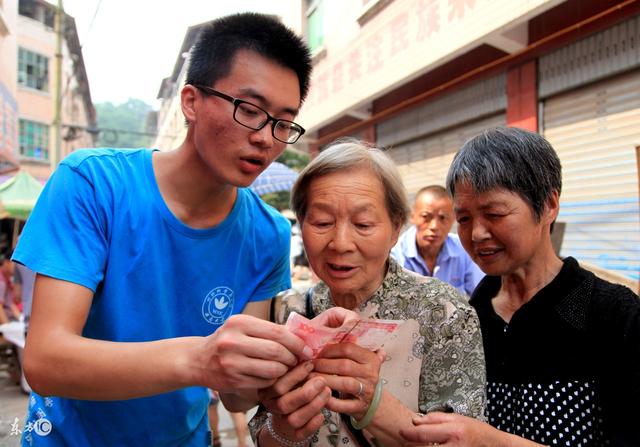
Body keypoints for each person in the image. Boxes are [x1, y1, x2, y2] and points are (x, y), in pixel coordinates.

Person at [10, 12, 343, 446]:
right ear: (191, 101)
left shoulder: (267, 234)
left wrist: (293, 365)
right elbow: (46, 361)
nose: (266, 138)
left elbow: (236, 397)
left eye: (283, 122)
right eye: (249, 110)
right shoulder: (93, 184)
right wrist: (202, 359)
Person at [401, 127, 640, 446]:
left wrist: (490, 441)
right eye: (465, 219)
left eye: (495, 214)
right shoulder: (468, 319)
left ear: (549, 205)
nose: (477, 234)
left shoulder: (614, 315)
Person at [249, 139, 486, 446]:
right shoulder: (289, 309)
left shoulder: (444, 313)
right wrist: (284, 427)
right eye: (322, 222)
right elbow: (263, 433)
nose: (341, 243)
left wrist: (375, 406)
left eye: (362, 224)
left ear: (396, 228)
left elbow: (463, 438)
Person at [391, 185, 483, 296]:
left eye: (443, 218)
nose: (434, 226)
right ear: (412, 216)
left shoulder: (464, 249)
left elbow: (482, 295)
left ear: (454, 219)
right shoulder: (394, 256)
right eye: (426, 216)